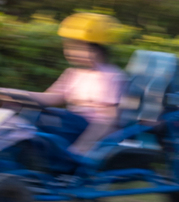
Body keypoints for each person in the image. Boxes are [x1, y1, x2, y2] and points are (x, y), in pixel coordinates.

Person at [0, 13, 126, 156]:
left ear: (97, 50)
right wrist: (9, 95)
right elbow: (48, 98)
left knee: (39, 119)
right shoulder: (73, 73)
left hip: (89, 129)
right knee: (28, 114)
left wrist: (81, 148)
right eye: (68, 47)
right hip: (72, 124)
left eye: (77, 47)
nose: (69, 52)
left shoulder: (111, 77)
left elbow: (107, 120)